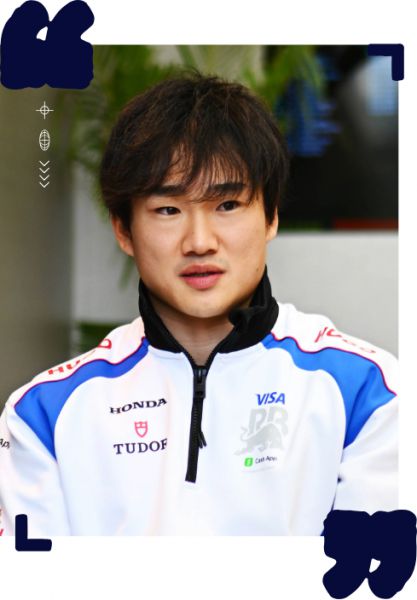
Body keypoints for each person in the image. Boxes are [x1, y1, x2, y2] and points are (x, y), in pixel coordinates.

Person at [0, 73, 397, 536]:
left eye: (227, 205)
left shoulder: (369, 392)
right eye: (168, 210)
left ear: (271, 216)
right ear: (124, 230)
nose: (200, 242)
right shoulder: (43, 415)